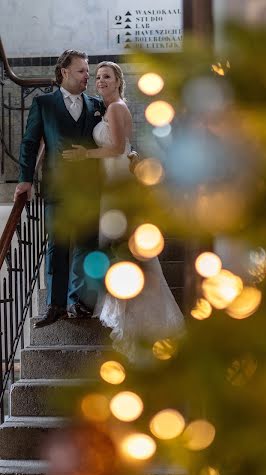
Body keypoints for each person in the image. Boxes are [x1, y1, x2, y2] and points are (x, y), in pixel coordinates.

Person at [63, 62, 184, 362]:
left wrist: (85, 154)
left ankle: (137, 316)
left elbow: (117, 148)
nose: (100, 81)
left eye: (107, 77)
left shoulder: (116, 108)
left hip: (117, 182)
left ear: (118, 82)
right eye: (99, 77)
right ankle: (126, 306)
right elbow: (126, 148)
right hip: (111, 180)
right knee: (114, 244)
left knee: (120, 244)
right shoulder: (109, 109)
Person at [14, 49, 103, 327]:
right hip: (57, 188)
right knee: (58, 246)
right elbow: (30, 143)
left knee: (87, 246)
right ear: (64, 72)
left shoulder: (97, 104)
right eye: (81, 71)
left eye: (88, 71)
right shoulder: (44, 104)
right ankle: (56, 305)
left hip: (90, 188)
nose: (87, 76)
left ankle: (82, 302)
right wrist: (25, 179)